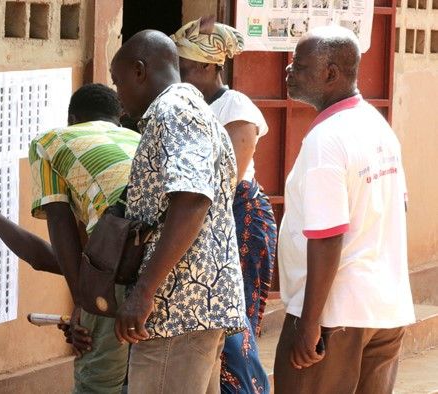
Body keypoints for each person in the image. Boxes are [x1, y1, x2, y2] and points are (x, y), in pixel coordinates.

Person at [0, 83, 141, 393]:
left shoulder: (51, 142)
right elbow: (53, 258)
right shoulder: (136, 141)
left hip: (123, 268)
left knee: (98, 383)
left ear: (72, 119)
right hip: (168, 265)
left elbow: (58, 222)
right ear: (119, 119)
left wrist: (83, 306)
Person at [274, 26, 415, 393]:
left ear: (330, 74)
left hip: (335, 315)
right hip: (384, 308)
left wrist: (309, 322)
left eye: (299, 65)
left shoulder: (327, 139)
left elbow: (328, 235)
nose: (289, 71)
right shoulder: (376, 125)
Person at [110, 30, 247, 393]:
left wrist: (144, 291)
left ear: (139, 71)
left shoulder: (176, 111)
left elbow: (192, 199)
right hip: (191, 310)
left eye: (117, 80)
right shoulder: (187, 109)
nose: (118, 95)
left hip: (178, 309)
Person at [171, 16, 277, 394]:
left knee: (234, 320)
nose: (175, 76)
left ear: (205, 66)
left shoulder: (236, 107)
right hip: (209, 220)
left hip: (237, 217)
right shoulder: (186, 105)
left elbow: (226, 180)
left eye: (181, 68)